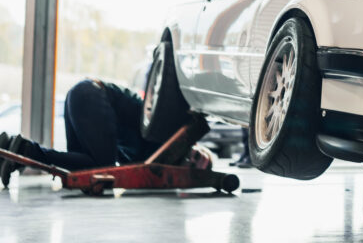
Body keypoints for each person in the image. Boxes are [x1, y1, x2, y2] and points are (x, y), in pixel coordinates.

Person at [0, 78, 211, 188]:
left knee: (85, 172)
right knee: (102, 170)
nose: (189, 158)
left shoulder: (154, 163)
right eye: (197, 155)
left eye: (192, 165)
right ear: (195, 145)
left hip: (83, 97)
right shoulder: (171, 132)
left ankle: (17, 153)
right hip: (91, 95)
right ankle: (27, 151)